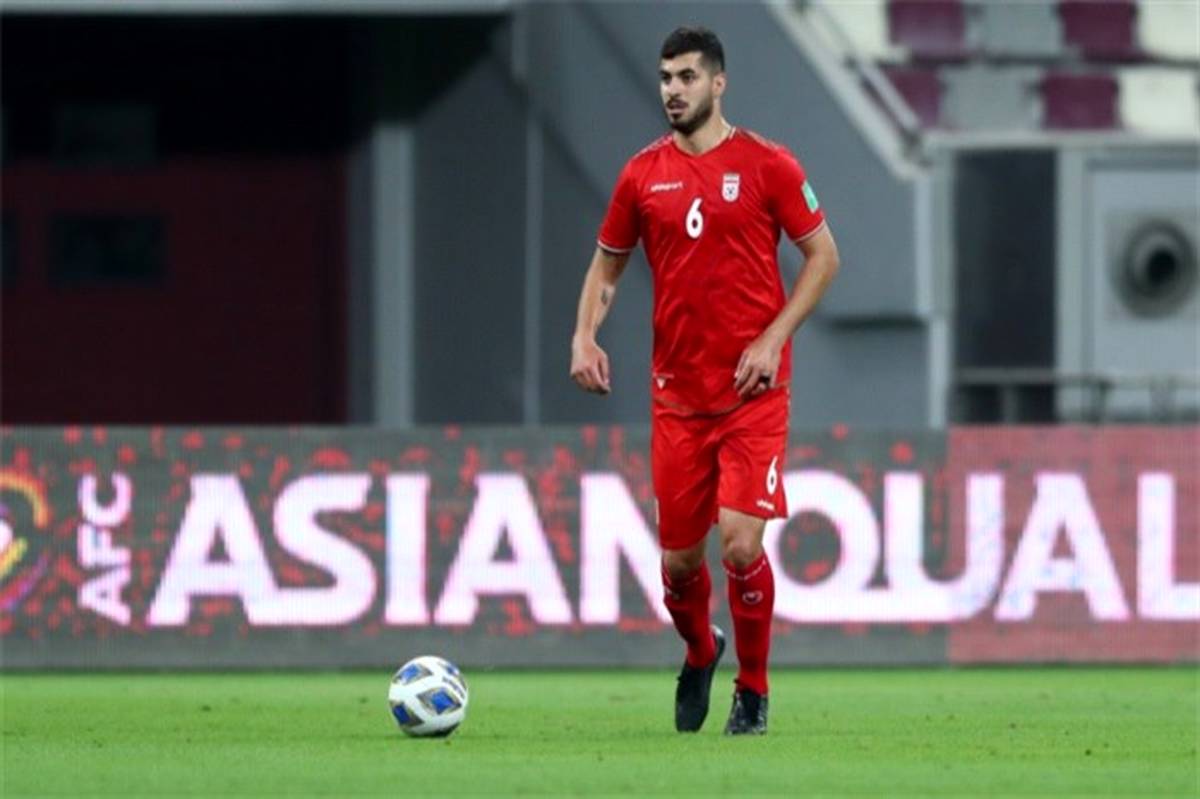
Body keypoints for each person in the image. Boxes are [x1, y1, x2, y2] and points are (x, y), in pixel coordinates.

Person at [570, 26, 840, 735]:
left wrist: (772, 338)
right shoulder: (641, 176)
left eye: (687, 77)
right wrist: (584, 335)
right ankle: (700, 649)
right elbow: (607, 265)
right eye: (666, 78)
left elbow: (823, 258)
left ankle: (753, 691)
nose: (673, 90)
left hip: (753, 393)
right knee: (679, 565)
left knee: (742, 546)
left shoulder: (768, 165)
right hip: (678, 397)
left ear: (718, 83)